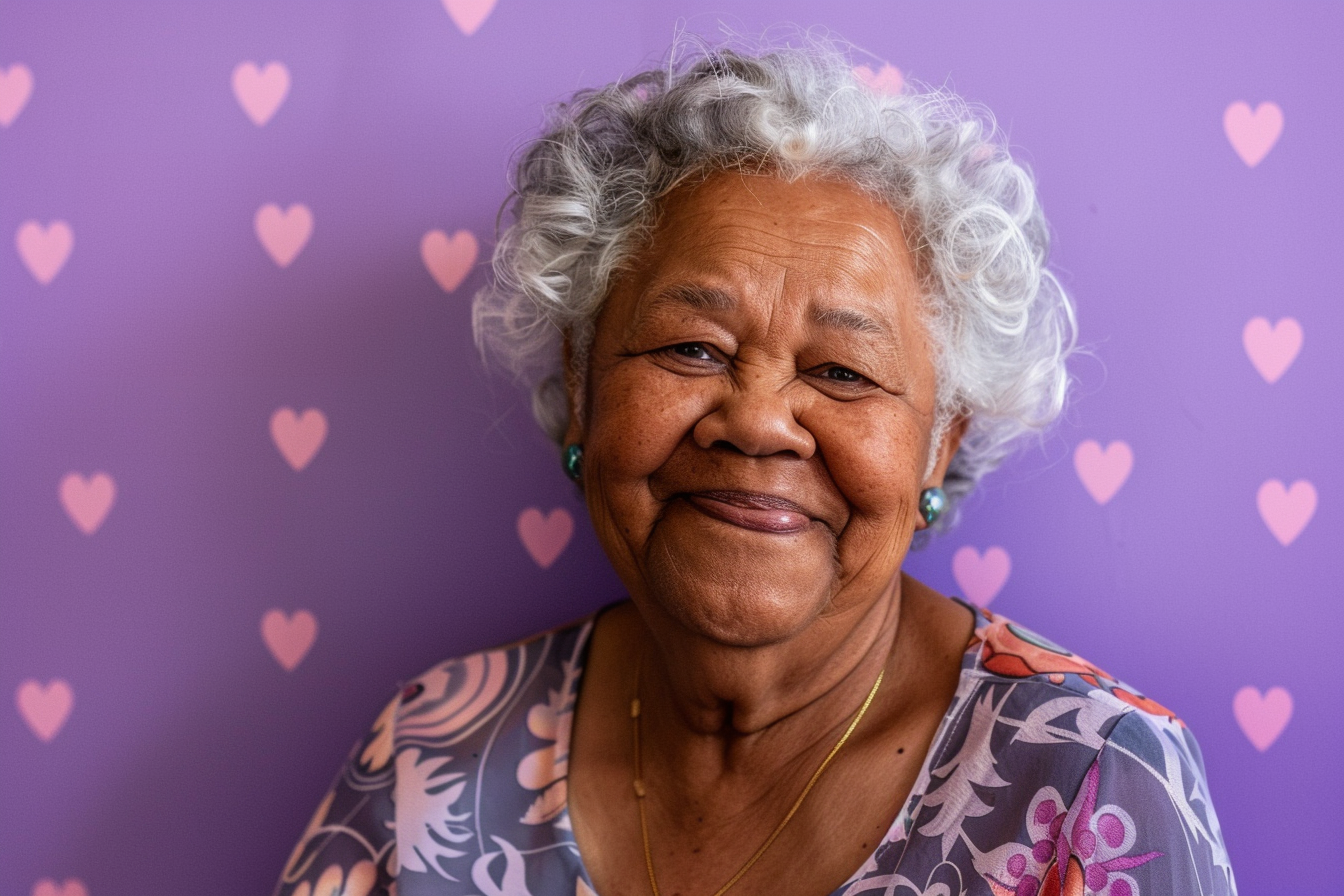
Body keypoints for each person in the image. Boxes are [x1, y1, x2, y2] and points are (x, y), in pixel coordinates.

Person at [275, 39, 1236, 896]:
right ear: (583, 382)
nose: (759, 422)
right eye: (691, 348)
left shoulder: (1091, 778)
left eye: (842, 371)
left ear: (941, 441)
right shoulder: (433, 750)